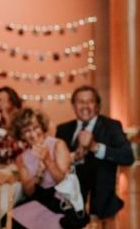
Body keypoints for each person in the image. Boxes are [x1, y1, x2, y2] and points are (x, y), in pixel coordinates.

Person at [10, 107, 73, 229]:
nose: (32, 134)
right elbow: (29, 192)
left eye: (35, 128)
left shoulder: (58, 144)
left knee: (40, 221)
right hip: (39, 199)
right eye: (26, 130)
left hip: (61, 200)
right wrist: (37, 174)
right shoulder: (22, 158)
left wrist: (47, 160)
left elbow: (63, 180)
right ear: (21, 134)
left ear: (43, 127)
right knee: (12, 220)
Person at [55, 85, 134, 219]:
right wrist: (73, 157)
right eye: (80, 102)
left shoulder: (111, 126)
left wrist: (95, 147)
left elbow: (128, 157)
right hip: (66, 195)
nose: (85, 106)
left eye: (90, 101)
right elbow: (56, 161)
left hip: (98, 197)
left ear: (97, 105)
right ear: (73, 105)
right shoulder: (63, 129)